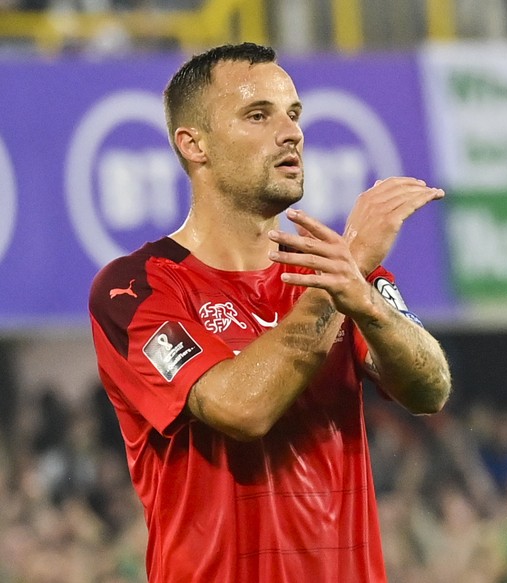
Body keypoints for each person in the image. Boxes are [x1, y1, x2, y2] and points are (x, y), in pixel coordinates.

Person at [89, 42, 451, 583]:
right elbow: (243, 408)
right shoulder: (136, 288)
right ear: (194, 145)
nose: (291, 133)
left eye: (294, 114)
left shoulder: (337, 269)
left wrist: (366, 303)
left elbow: (431, 389)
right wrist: (345, 275)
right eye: (258, 115)